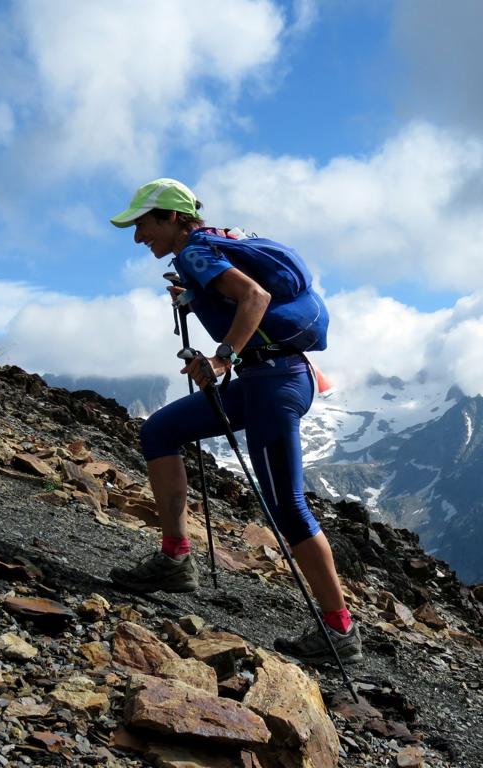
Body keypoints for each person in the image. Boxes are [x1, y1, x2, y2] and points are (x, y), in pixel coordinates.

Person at [107, 178, 362, 665]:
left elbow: (255, 299)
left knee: (286, 507)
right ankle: (175, 559)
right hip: (271, 377)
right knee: (159, 432)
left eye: (144, 224)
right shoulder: (213, 245)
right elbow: (238, 295)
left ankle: (339, 631)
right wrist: (195, 296)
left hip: (271, 382)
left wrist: (222, 359)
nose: (140, 238)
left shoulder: (194, 251)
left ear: (173, 218)